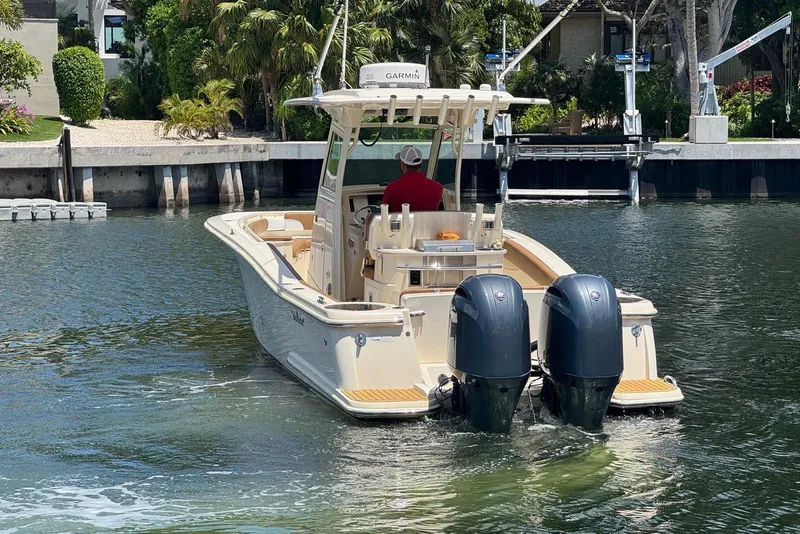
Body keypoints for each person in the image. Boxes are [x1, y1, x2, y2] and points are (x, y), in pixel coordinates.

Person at [381, 145, 444, 212]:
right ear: (421, 164)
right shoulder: (437, 188)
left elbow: (384, 213)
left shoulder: (391, 189)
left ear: (402, 165)